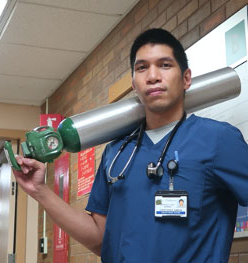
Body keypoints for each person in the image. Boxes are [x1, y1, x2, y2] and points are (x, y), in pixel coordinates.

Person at [13, 28, 248, 263]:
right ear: (134, 84)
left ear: (186, 78)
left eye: (165, 65)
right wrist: (39, 191)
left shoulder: (218, 140)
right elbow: (99, 239)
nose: (153, 76)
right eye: (142, 67)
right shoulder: (116, 154)